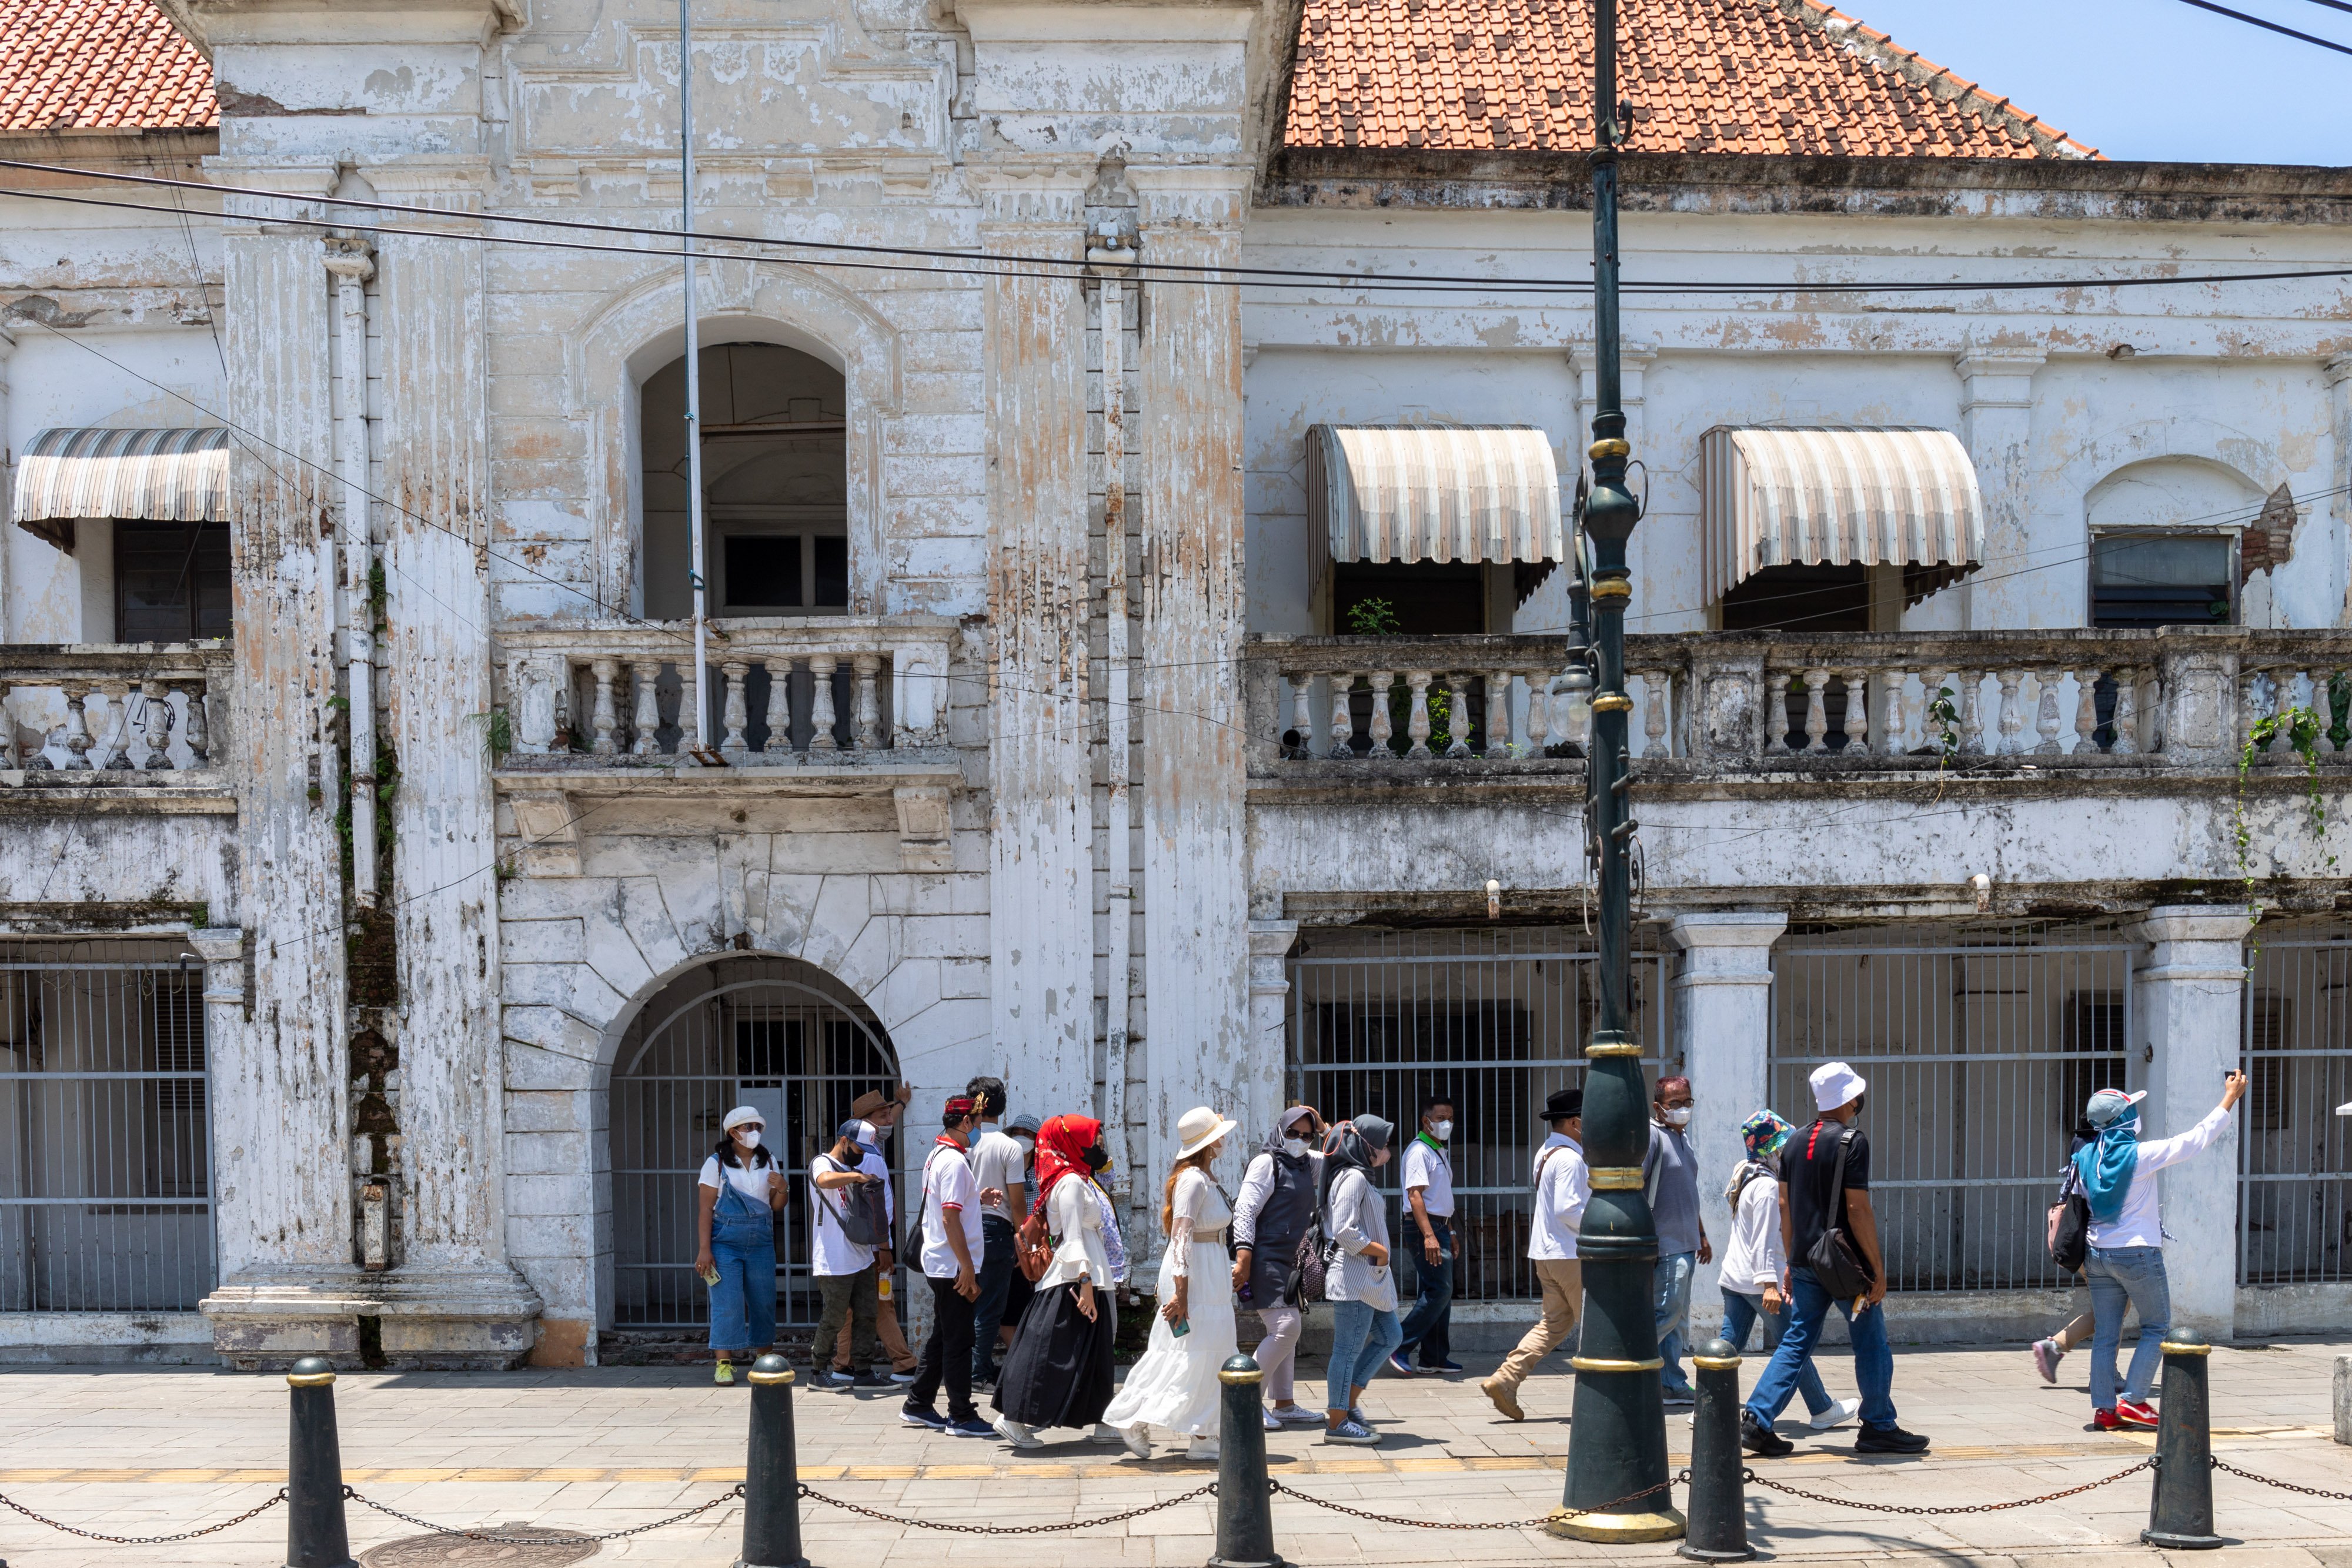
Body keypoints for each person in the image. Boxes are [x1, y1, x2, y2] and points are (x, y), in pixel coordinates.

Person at [1741, 1062, 1929, 1457]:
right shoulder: (1851, 1140)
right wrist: (1876, 1267)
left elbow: (1784, 1204)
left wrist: (1792, 1260)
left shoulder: (1792, 1142)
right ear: (1849, 1098)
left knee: (1796, 1340)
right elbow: (1857, 1208)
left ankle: (1757, 1419)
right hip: (1844, 1264)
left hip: (1808, 1261)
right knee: (1871, 1340)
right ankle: (1878, 1425)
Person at [2077, 1074, 2247, 1431]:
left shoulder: (2084, 1157)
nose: (2135, 1113)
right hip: (2137, 1253)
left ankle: (2105, 1410)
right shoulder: (2140, 1155)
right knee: (2157, 1326)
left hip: (2097, 1255)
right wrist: (2229, 1098)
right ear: (2122, 1119)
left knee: (2107, 1333)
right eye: (2131, 1109)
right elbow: (2195, 1141)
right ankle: (2134, 1401)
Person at [1104, 1104, 1241, 1462]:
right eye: (1219, 1136)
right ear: (1209, 1144)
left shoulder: (1203, 1177)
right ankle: (1131, 1414)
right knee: (1182, 1352)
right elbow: (1181, 1236)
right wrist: (1180, 1293)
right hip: (1194, 1275)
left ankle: (1204, 1433)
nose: (1224, 1140)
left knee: (1211, 1351)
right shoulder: (1193, 1180)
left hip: (1208, 1270)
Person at [1719, 1111, 1858, 1432]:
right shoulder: (1767, 1187)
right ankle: (1822, 1409)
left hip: (1736, 1278)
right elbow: (1766, 1239)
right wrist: (1770, 1285)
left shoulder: (1746, 1173)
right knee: (1795, 1345)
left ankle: (1706, 1408)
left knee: (1727, 1347)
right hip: (1760, 1282)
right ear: (1773, 1150)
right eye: (1784, 1147)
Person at [994, 1115, 1118, 1448]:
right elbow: (1074, 1236)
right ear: (1073, 1145)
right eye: (1092, 1142)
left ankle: (1104, 1419)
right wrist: (1086, 1283)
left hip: (1084, 1275)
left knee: (1094, 1354)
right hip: (1073, 1279)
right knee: (1050, 1356)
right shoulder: (1070, 1183)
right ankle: (1012, 1419)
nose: (1098, 1148)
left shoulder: (1072, 1178)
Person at [1483, 1088, 1587, 1422]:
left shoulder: (1546, 1152)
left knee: (1555, 1324)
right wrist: (1605, 1227)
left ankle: (1506, 1378)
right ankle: (1602, 1401)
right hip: (1570, 1254)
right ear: (1576, 1122)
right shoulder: (1570, 1158)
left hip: (1547, 1253)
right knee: (1599, 1330)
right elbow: (1569, 1209)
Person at [901, 1094, 994, 1437]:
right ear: (966, 1122)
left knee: (943, 1336)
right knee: (959, 1340)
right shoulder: (954, 1161)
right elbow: (950, 1217)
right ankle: (961, 1414)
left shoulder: (938, 1154)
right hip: (953, 1265)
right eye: (979, 1122)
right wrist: (967, 1268)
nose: (980, 1128)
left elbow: (949, 1205)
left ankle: (919, 1403)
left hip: (941, 1262)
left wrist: (977, 1197)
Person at [1231, 1105, 1327, 1429]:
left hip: (1291, 1261)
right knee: (1286, 1327)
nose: (1300, 1140)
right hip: (1264, 1257)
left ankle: (1284, 1403)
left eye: (1307, 1136)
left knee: (1288, 1329)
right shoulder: (1266, 1163)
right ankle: (1245, 1399)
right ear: (1280, 1132)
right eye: (1293, 1134)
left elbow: (1339, 1162)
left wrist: (1325, 1130)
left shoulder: (1306, 1164)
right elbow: (1245, 1209)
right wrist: (1243, 1255)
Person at [1319, 1115, 1402, 1446]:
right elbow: (1344, 1229)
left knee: (1391, 1336)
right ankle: (1337, 1422)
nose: (1387, 1150)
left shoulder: (1358, 1176)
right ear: (1364, 1146)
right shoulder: (1353, 1177)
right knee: (1348, 1350)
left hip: (1368, 1278)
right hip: (1355, 1277)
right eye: (1382, 1145)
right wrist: (1379, 1251)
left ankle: (1348, 1405)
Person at [694, 1105, 787, 1385]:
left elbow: (776, 1206)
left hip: (761, 1241)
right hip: (725, 1243)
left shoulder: (769, 1160)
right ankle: (724, 1364)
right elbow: (705, 1210)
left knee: (763, 1300)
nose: (754, 1132)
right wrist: (704, 1249)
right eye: (748, 1128)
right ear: (733, 1132)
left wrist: (783, 1188)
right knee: (727, 1303)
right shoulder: (716, 1164)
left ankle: (765, 1363)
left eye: (758, 1127)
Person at [841, 1086, 919, 1383]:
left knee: (867, 1304)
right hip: (874, 1245)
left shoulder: (868, 1146)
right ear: (867, 1123)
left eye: (890, 1113)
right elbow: (876, 1208)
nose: (889, 1119)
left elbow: (885, 1125)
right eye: (882, 1115)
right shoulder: (869, 1157)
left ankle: (845, 1363)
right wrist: (884, 1248)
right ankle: (898, 1362)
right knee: (877, 1304)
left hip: (870, 1242)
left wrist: (900, 1104)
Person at [1643, 1075, 1710, 1407]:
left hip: (1686, 1242)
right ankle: (1632, 1369)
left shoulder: (1682, 1138)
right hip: (1664, 1245)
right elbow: (1636, 1190)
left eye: (1687, 1102)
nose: (1683, 1109)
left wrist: (1701, 1234)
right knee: (1666, 1314)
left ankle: (1671, 1383)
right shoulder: (1652, 1137)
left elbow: (1688, 1192)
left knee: (1679, 1321)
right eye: (1674, 1104)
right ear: (1658, 1107)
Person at [811, 1119, 888, 1389]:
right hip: (834, 1258)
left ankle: (864, 1371)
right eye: (859, 1147)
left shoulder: (852, 1166)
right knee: (833, 1317)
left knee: (867, 1314)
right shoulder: (823, 1162)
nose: (862, 1154)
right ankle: (818, 1372)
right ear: (844, 1140)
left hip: (862, 1255)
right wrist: (856, 1177)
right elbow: (823, 1181)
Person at [2032, 1114, 2107, 1385]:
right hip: (2098, 1242)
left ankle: (2057, 1347)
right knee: (2113, 1309)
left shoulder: (2081, 1145)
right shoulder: (2098, 1150)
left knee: (2111, 1309)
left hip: (2084, 1240)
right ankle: (2059, 1349)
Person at [1391, 1095, 1461, 1377]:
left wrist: (1451, 1230)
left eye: (1450, 1118)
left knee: (1437, 1292)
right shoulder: (1419, 1151)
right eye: (1441, 1118)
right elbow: (1415, 1196)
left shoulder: (1438, 1150)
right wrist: (1430, 1236)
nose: (1447, 1123)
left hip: (1440, 1226)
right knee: (1439, 1290)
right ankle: (1399, 1345)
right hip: (1425, 1228)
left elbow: (1442, 1196)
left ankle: (1434, 1357)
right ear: (1426, 1121)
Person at [965, 1076, 1027, 1386]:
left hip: (960, 1229)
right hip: (995, 1229)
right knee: (989, 1307)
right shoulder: (1009, 1147)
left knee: (965, 1304)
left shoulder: (959, 1141)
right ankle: (978, 1373)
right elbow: (1017, 1203)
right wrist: (1023, 1240)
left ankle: (971, 1369)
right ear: (1000, 1108)